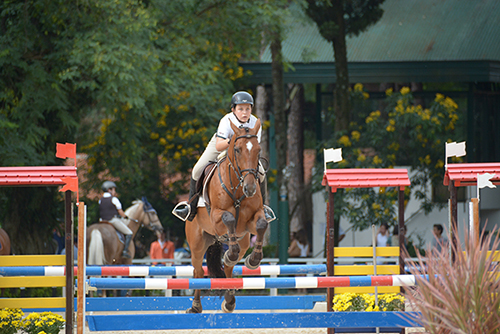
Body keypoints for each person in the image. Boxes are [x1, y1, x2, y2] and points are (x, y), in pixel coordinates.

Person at [172, 91, 275, 222]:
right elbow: (219, 146)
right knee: (197, 169)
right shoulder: (226, 120)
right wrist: (232, 141)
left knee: (261, 173)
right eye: (240, 109)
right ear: (233, 109)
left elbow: (253, 146)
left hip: (243, 151)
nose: (244, 112)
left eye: (247, 109)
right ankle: (190, 206)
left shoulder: (255, 123)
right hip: (222, 144)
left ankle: (263, 207)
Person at [99, 180, 134, 258]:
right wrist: (125, 216)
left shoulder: (100, 200)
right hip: (112, 220)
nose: (115, 192)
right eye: (114, 189)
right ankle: (125, 251)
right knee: (129, 233)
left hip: (102, 221)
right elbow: (120, 212)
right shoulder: (114, 199)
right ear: (109, 190)